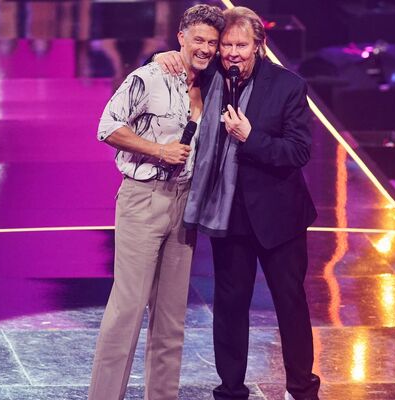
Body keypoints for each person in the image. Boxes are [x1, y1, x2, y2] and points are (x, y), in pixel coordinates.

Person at [154, 6, 320, 400]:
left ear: (258, 46)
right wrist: (160, 56)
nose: (231, 52)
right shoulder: (209, 78)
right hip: (227, 215)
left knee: (290, 304)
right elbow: (177, 63)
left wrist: (251, 137)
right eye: (226, 45)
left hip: (279, 218)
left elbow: (298, 152)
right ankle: (230, 389)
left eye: (240, 45)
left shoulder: (288, 86)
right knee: (229, 306)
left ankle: (302, 387)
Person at [87, 5, 224, 400]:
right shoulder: (149, 76)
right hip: (142, 201)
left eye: (212, 43)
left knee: (171, 318)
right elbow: (107, 126)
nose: (205, 48)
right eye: (198, 39)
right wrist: (157, 150)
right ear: (180, 37)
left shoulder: (213, 83)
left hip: (185, 206)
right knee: (127, 311)